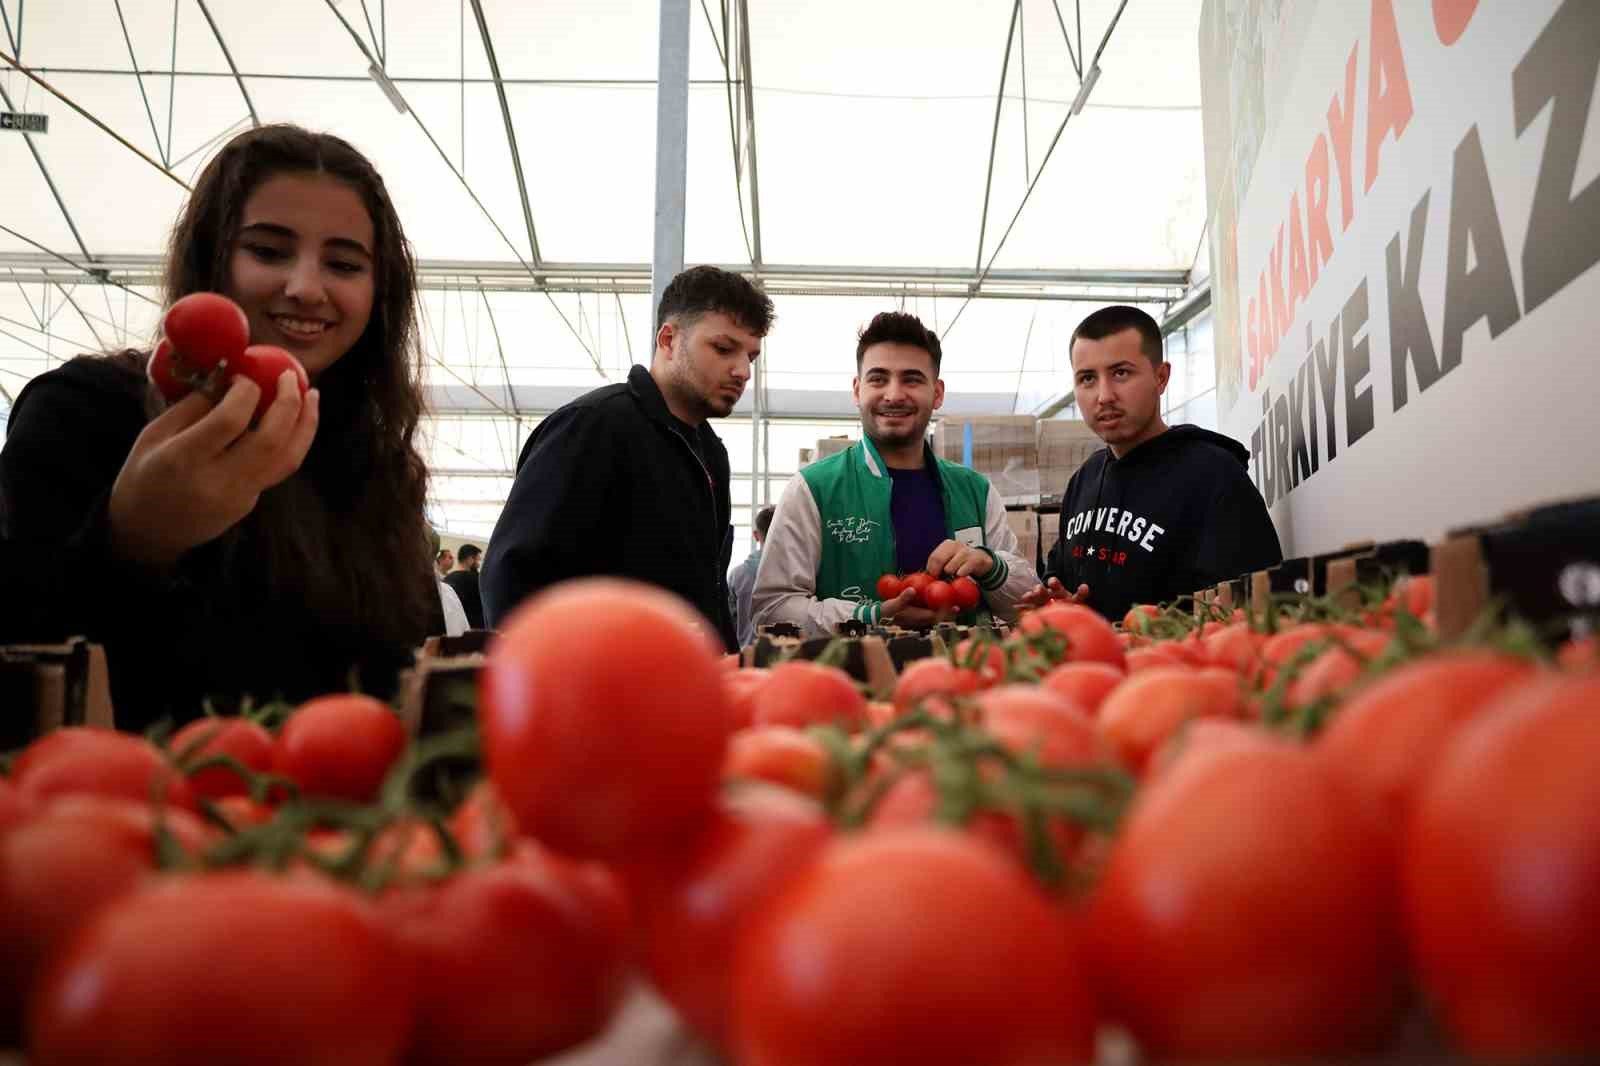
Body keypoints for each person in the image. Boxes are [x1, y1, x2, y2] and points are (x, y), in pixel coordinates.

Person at [0, 124, 442, 731]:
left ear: (379, 292)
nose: (306, 288)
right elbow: (25, 649)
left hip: (330, 818)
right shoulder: (85, 411)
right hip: (133, 809)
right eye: (267, 251)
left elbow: (400, 679)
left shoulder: (372, 464)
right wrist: (132, 541)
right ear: (212, 256)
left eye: (343, 263)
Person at [482, 266, 773, 650]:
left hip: (678, 688)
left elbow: (707, 593)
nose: (742, 371)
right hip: (597, 690)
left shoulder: (711, 454)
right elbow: (512, 575)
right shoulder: (594, 426)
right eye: (723, 349)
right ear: (668, 339)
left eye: (750, 356)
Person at [752, 311, 1038, 635]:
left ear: (938, 392)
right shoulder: (813, 489)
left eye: (912, 379)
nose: (894, 394)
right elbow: (772, 609)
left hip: (962, 677)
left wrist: (991, 567)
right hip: (855, 681)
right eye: (878, 379)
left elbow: (1025, 606)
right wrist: (869, 615)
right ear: (857, 389)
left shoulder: (975, 491)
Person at [1027, 305, 1282, 622]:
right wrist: (1058, 602)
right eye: (1088, 378)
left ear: (1161, 377)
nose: (1104, 395)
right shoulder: (1084, 480)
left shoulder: (1213, 474)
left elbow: (1248, 606)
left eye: (1121, 373)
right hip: (1093, 666)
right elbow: (1059, 579)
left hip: (1179, 667)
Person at [727, 505, 774, 648]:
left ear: (755, 535)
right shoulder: (799, 574)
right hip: (786, 656)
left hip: (747, 656)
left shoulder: (738, 575)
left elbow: (730, 623)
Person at [443, 542, 486, 629]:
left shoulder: (447, 579)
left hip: (454, 628)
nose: (478, 564)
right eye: (477, 560)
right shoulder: (477, 579)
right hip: (476, 630)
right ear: (470, 559)